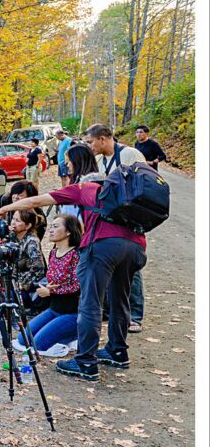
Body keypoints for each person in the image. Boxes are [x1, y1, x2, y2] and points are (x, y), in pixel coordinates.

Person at [0, 167, 147, 382]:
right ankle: (117, 351)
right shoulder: (123, 195)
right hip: (135, 247)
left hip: (104, 247)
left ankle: (85, 361)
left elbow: (35, 201)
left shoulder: (85, 188)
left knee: (91, 303)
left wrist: (1, 209)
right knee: (120, 299)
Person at [83, 124, 148, 333]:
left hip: (130, 221)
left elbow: (146, 183)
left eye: (91, 142)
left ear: (102, 139)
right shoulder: (100, 162)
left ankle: (135, 315)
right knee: (112, 270)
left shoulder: (130, 154)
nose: (90, 146)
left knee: (131, 271)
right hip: (109, 221)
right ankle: (113, 311)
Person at [12, 214, 83, 357]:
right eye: (51, 226)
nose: (50, 230)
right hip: (54, 308)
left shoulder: (77, 254)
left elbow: (77, 285)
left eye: (55, 227)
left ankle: (74, 336)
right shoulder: (53, 252)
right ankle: (63, 336)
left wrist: (51, 292)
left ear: (68, 231)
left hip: (72, 312)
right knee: (23, 339)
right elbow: (53, 281)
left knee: (38, 344)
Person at [9, 209, 47, 305]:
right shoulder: (13, 236)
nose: (13, 222)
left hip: (28, 287)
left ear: (28, 225)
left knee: (10, 296)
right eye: (13, 219)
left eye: (18, 221)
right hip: (14, 281)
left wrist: (23, 284)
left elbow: (38, 268)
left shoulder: (31, 241)